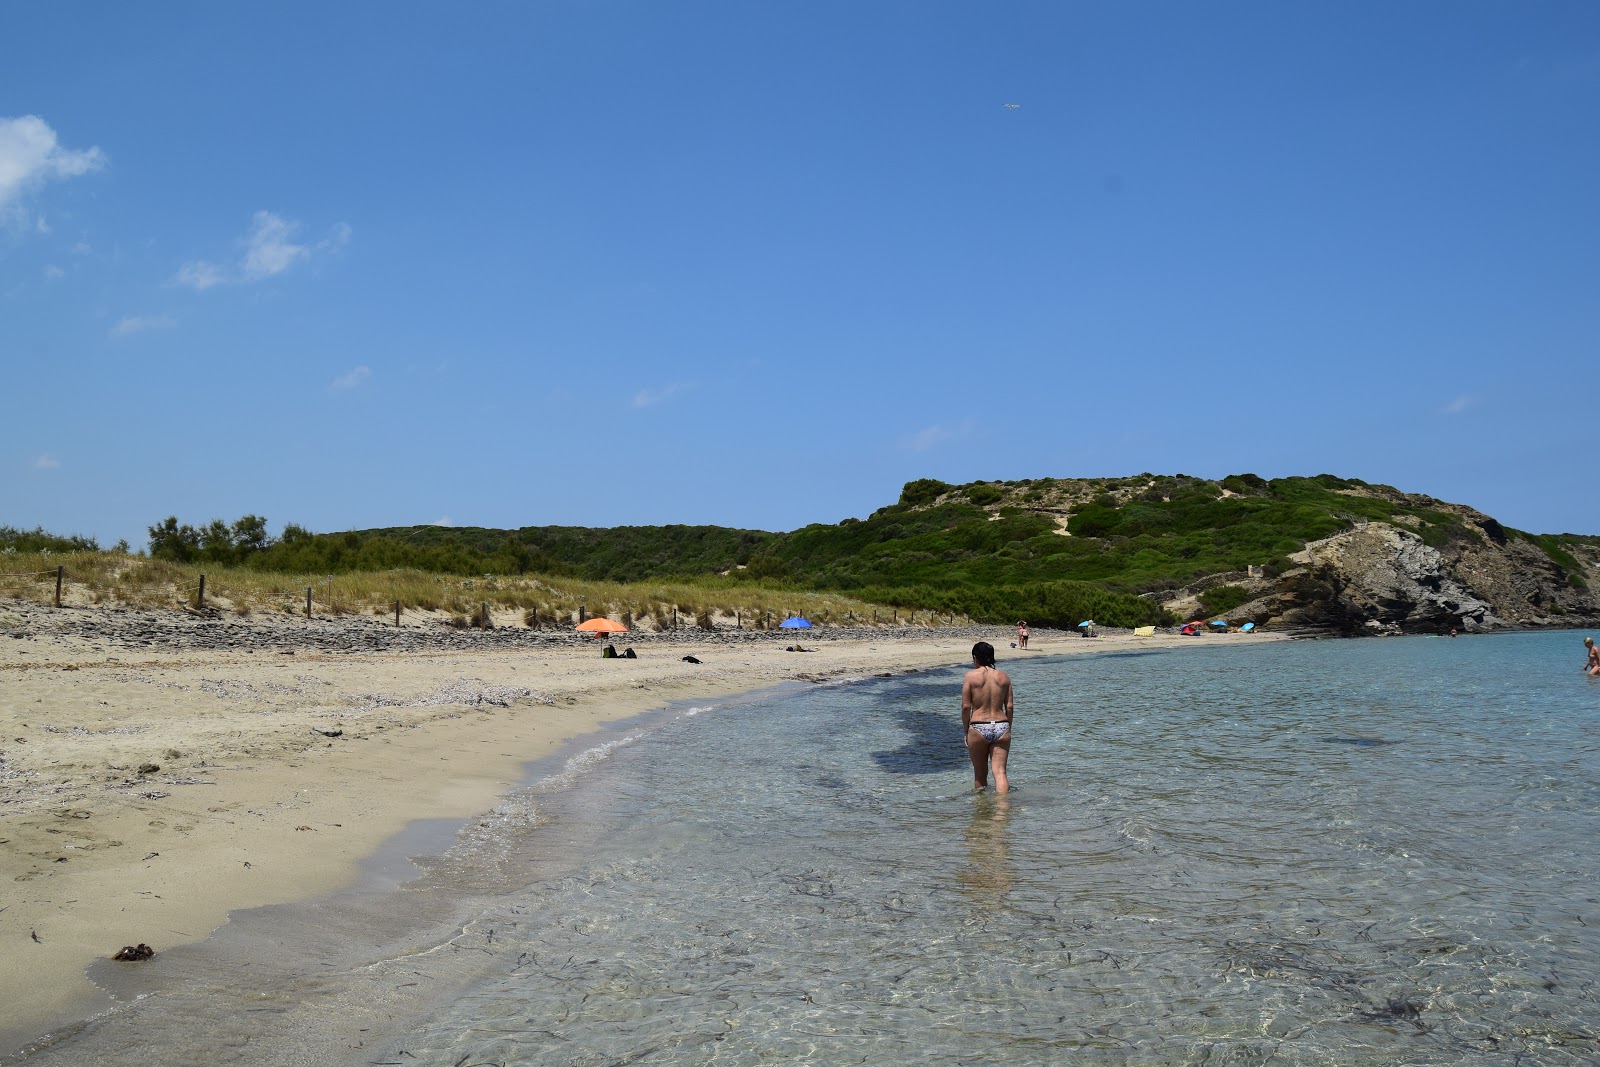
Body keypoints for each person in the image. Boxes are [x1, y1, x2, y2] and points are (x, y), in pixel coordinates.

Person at [962, 641, 1014, 793]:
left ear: (975, 658)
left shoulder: (970, 677)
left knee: (980, 773)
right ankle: (1002, 810)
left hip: (978, 726)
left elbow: (965, 707)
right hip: (1001, 724)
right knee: (1000, 772)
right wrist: (1008, 727)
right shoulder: (1004, 677)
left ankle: (982, 812)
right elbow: (1009, 707)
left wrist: (966, 731)